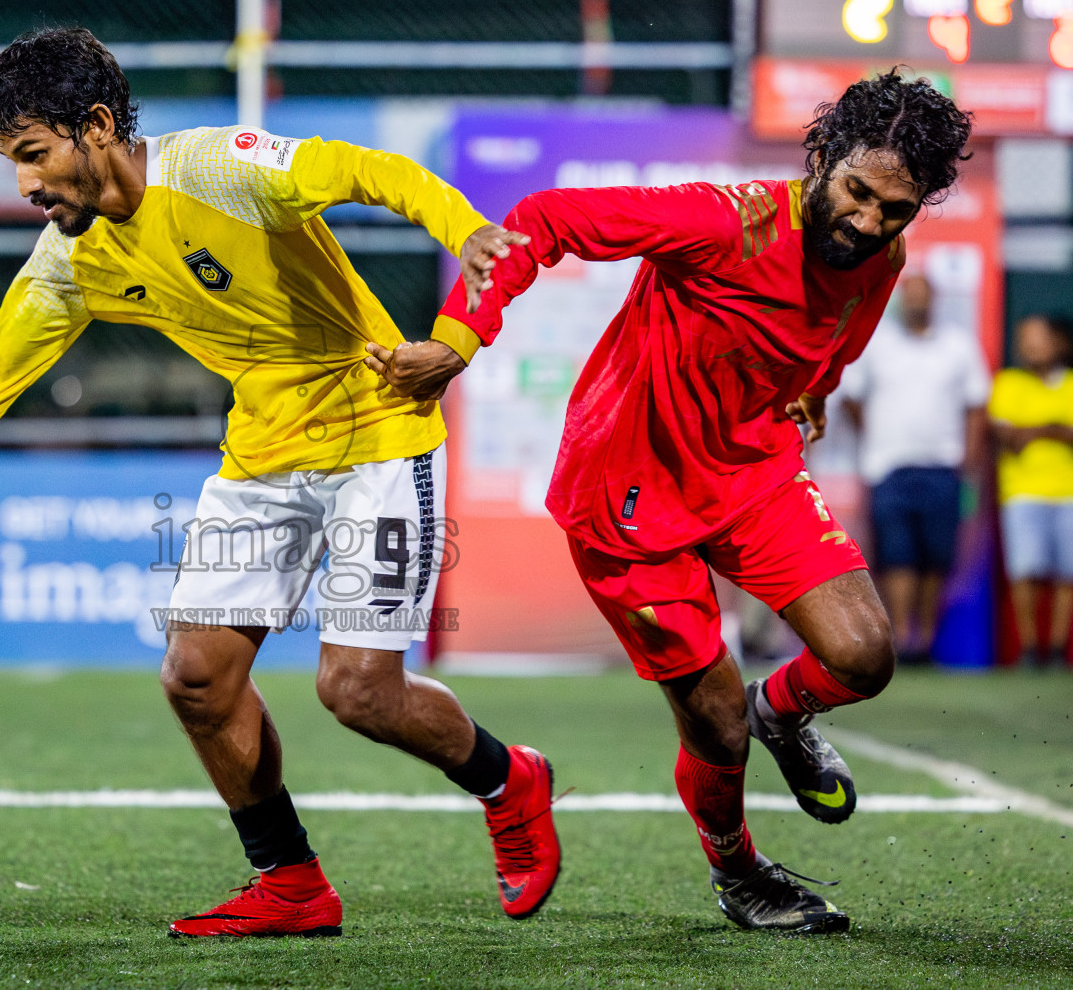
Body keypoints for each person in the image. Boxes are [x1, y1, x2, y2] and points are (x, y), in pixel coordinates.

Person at [0, 26, 560, 938]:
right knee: (197, 677)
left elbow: (369, 170)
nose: (26, 185)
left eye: (34, 155)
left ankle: (511, 782)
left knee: (358, 690)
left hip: (380, 433)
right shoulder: (72, 260)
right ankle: (290, 883)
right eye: (12, 163)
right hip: (263, 457)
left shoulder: (223, 169)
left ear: (98, 125)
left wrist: (464, 230)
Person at [367, 69, 972, 932]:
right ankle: (740, 872)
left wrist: (818, 388)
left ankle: (784, 714)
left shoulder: (883, 254)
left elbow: (842, 326)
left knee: (865, 655)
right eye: (859, 194)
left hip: (749, 469)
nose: (871, 222)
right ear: (822, 158)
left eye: (897, 210)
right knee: (715, 725)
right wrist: (457, 339)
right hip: (628, 490)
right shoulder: (728, 221)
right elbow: (544, 220)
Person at [838, 275, 990, 662]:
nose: (916, 302)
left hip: (943, 465)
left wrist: (968, 460)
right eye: (910, 295)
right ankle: (903, 638)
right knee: (897, 555)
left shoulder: (958, 345)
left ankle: (924, 639)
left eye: (922, 295)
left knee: (935, 557)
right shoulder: (878, 343)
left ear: (934, 299)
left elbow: (976, 404)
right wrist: (877, 436)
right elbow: (851, 397)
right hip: (888, 466)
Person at [987, 314, 1073, 667]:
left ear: (1059, 342)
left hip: (1068, 493)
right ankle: (1028, 649)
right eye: (1025, 340)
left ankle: (1054, 650)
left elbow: (1025, 434)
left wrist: (1033, 430)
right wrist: (1054, 427)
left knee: (1067, 574)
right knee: (1025, 573)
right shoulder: (1008, 383)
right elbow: (1008, 437)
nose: (1031, 347)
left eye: (1038, 338)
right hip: (1021, 492)